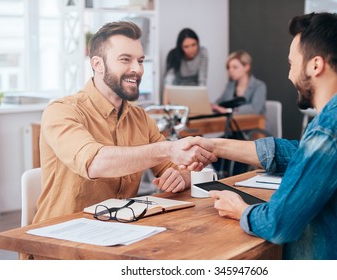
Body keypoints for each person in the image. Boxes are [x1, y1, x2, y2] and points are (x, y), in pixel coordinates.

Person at [189, 12, 337, 259]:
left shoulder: (329, 130)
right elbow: (300, 152)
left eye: (292, 64)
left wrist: (240, 209)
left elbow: (277, 224)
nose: (289, 75)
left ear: (315, 65)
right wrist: (215, 146)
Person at [33, 21, 216, 224]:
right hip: (59, 239)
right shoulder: (61, 111)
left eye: (140, 60)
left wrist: (182, 177)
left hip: (119, 231)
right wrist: (167, 148)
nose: (137, 69)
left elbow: (182, 168)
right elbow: (95, 163)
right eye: (125, 59)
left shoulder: (140, 118)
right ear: (97, 64)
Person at [211, 50, 267, 116]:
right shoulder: (230, 86)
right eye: (229, 68)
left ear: (246, 67)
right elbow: (219, 103)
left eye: (235, 67)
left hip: (256, 124)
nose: (230, 71)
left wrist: (229, 110)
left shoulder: (259, 86)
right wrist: (212, 106)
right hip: (234, 124)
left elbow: (254, 109)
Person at [163, 28, 208, 104]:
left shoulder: (202, 53)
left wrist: (201, 102)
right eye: (186, 47)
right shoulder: (174, 55)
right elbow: (168, 83)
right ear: (181, 47)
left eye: (193, 45)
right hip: (177, 95)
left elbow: (202, 80)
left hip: (195, 95)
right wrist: (165, 106)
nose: (191, 49)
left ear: (198, 43)